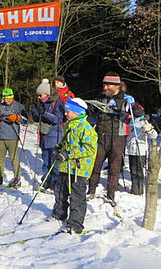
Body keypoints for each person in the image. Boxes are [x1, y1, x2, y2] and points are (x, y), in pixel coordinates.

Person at [87, 72, 143, 205]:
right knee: (95, 164)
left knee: (115, 167)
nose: (105, 87)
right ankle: (91, 189)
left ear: (116, 85)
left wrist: (133, 105)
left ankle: (111, 193)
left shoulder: (125, 99)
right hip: (100, 135)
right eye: (104, 85)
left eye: (108, 85)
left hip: (118, 137)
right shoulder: (101, 98)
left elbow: (139, 113)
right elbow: (89, 112)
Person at [51, 97, 98, 234]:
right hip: (65, 166)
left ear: (77, 112)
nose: (65, 114)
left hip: (79, 169)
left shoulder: (86, 128)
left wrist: (68, 154)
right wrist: (60, 148)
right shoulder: (70, 125)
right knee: (60, 191)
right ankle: (59, 214)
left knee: (77, 197)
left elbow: (90, 149)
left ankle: (75, 223)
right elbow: (68, 142)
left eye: (68, 112)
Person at [0, 88, 27, 188]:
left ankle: (17, 179)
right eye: (5, 98)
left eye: (8, 98)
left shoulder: (18, 106)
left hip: (13, 136)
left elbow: (26, 120)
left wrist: (17, 118)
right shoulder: (0, 106)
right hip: (1, 136)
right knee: (0, 159)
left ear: (12, 97)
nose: (6, 100)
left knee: (14, 158)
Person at [30, 79, 64, 192]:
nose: (39, 97)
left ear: (47, 94)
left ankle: (54, 184)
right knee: (45, 162)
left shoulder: (56, 103)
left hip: (54, 137)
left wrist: (44, 113)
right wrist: (34, 112)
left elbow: (57, 119)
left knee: (54, 163)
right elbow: (36, 119)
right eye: (37, 96)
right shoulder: (41, 104)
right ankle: (46, 181)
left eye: (40, 95)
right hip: (44, 137)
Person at [126, 111, 157, 195]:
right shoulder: (131, 122)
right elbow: (128, 135)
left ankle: (139, 190)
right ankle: (134, 189)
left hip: (141, 150)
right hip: (131, 150)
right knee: (133, 171)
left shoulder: (143, 122)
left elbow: (154, 135)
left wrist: (149, 130)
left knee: (139, 171)